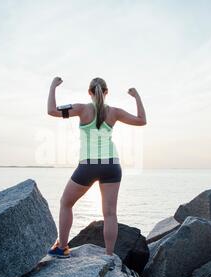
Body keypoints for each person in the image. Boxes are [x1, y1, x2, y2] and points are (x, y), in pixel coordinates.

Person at [46, 77, 147, 258]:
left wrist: (53, 86)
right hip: (111, 165)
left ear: (89, 92)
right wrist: (136, 96)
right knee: (110, 214)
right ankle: (109, 256)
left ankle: (62, 247)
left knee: (66, 203)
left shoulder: (81, 109)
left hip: (88, 166)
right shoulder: (115, 112)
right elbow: (142, 120)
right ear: (106, 92)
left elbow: (52, 111)